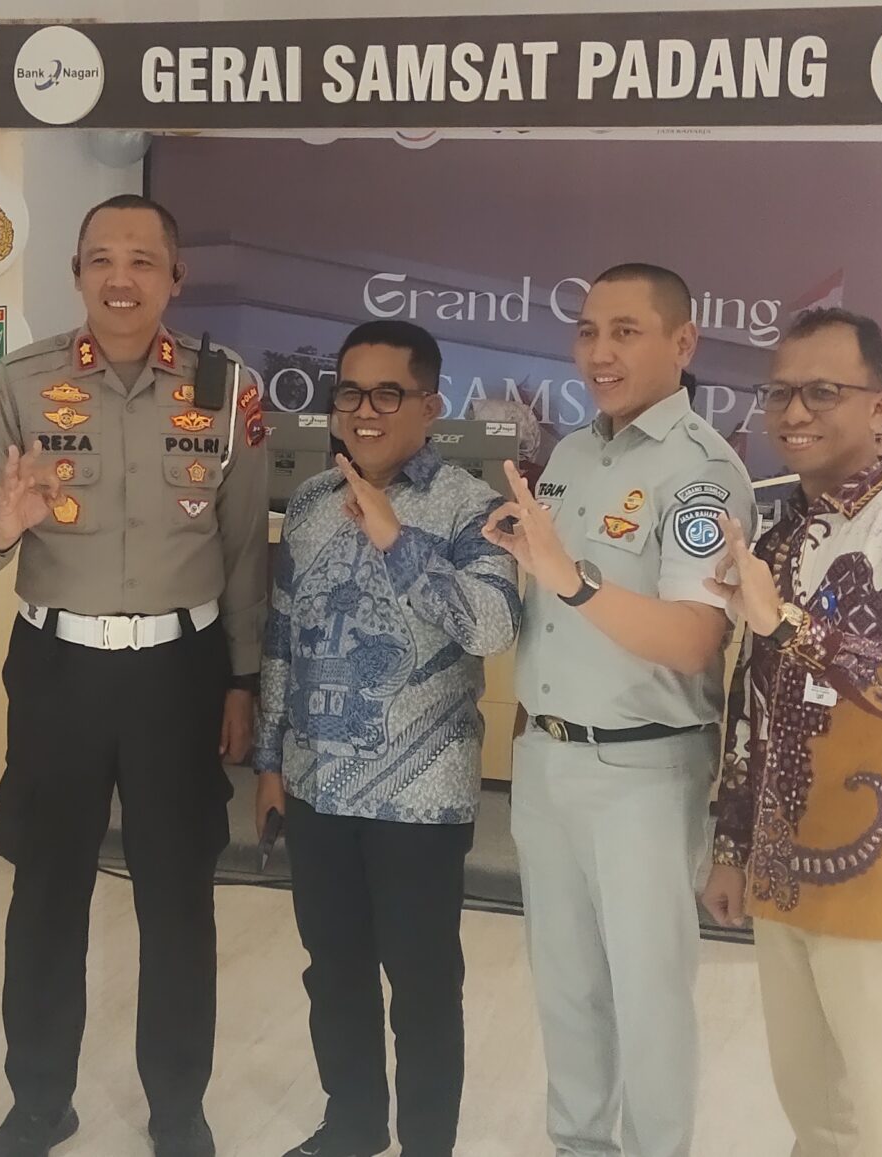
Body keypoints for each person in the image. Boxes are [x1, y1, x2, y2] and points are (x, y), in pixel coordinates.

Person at [0, 193, 269, 1157]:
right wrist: (8, 524)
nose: (120, 278)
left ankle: (177, 1106)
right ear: (77, 273)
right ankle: (40, 1100)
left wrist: (242, 680)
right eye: (100, 259)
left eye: (142, 260)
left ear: (176, 277)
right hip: (60, 673)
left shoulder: (228, 388)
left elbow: (244, 548)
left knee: (179, 898)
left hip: (181, 673)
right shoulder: (17, 383)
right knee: (47, 893)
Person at [481, 264, 752, 1157]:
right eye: (589, 330)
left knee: (649, 997)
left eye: (626, 331)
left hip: (643, 769)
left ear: (683, 342)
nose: (600, 351)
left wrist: (572, 578)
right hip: (547, 758)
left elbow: (694, 639)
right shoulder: (569, 455)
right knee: (566, 989)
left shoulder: (701, 471)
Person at [702, 307, 882, 1157]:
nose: (794, 412)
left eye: (823, 391)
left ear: (881, 405)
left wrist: (788, 622)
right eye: (780, 392)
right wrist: (733, 844)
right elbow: (754, 697)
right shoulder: (784, 533)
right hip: (786, 870)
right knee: (817, 1116)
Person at [255, 320, 519, 1157]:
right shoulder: (307, 504)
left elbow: (491, 626)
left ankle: (426, 1145)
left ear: (430, 406)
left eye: (387, 393)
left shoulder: (473, 507)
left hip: (420, 797)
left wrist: (395, 541)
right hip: (316, 783)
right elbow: (282, 636)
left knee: (423, 985)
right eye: (350, 392)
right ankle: (354, 1123)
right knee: (332, 968)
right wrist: (269, 759)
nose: (364, 410)